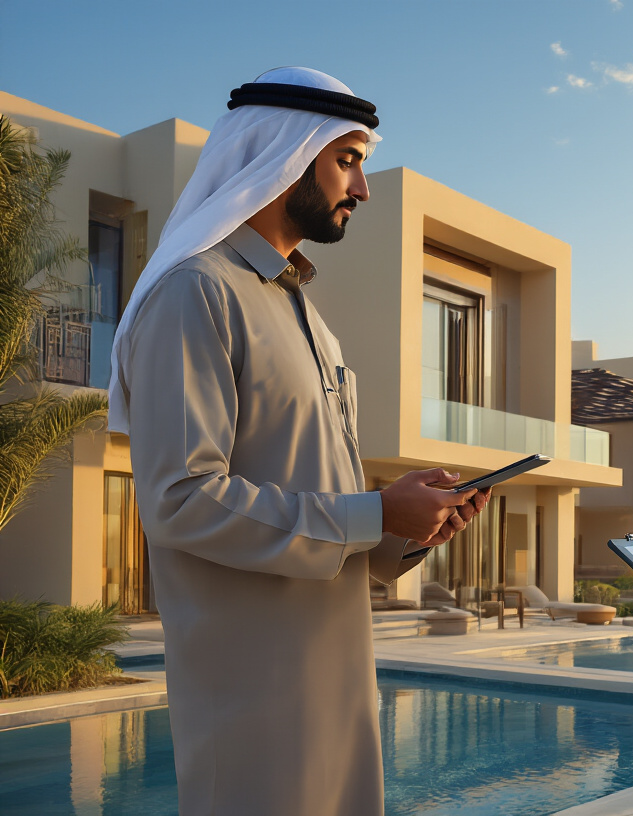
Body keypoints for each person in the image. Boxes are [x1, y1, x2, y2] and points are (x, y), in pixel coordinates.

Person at [108, 68, 490, 816]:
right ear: (283, 157)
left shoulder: (312, 322)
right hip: (253, 703)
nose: (364, 188)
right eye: (347, 160)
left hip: (340, 691)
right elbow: (179, 500)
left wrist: (410, 531)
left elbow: (332, 517)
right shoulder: (197, 294)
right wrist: (376, 514)